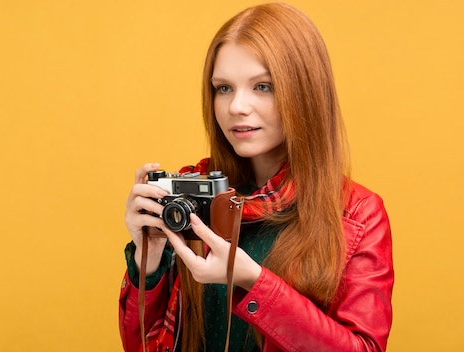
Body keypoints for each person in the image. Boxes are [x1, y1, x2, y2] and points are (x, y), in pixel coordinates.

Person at [120, 3, 394, 352]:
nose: (236, 106)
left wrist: (253, 280)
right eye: (223, 88)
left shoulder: (357, 214)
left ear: (304, 92)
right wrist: (149, 258)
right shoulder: (195, 197)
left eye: (262, 86)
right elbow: (140, 344)